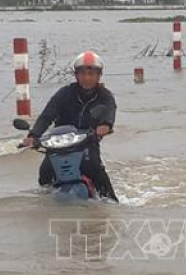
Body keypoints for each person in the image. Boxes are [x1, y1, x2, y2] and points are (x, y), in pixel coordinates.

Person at [21, 50, 118, 201]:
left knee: (95, 169)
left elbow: (109, 111)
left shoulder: (105, 95)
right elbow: (47, 115)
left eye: (91, 74)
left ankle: (110, 203)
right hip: (58, 143)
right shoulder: (65, 93)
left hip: (87, 142)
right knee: (45, 171)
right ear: (76, 75)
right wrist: (33, 135)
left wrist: (105, 125)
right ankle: (45, 203)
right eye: (82, 73)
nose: (87, 78)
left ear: (99, 76)